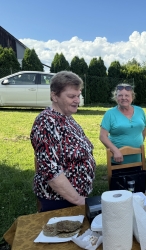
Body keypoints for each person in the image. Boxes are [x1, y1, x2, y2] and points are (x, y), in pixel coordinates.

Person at [30, 71, 96, 212]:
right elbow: (50, 171)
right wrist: (78, 200)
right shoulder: (46, 122)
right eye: (71, 96)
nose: (77, 100)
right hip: (59, 202)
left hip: (76, 197)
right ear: (54, 96)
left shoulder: (67, 117)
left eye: (78, 95)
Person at [99, 83, 146, 164]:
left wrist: (137, 143)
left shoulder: (140, 111)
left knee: (138, 176)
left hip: (137, 157)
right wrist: (115, 151)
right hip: (118, 159)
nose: (123, 98)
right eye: (120, 95)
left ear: (132, 97)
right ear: (116, 97)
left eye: (127, 95)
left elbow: (144, 129)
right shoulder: (110, 114)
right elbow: (102, 136)